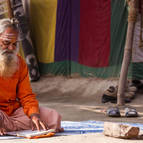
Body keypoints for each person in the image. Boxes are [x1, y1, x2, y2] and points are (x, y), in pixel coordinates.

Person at [0, 18, 63, 135]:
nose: (11, 48)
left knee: (52, 117)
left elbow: (26, 95)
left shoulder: (19, 62)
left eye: (15, 44)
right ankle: (9, 126)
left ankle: (9, 126)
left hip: (13, 113)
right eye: (6, 43)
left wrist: (34, 115)